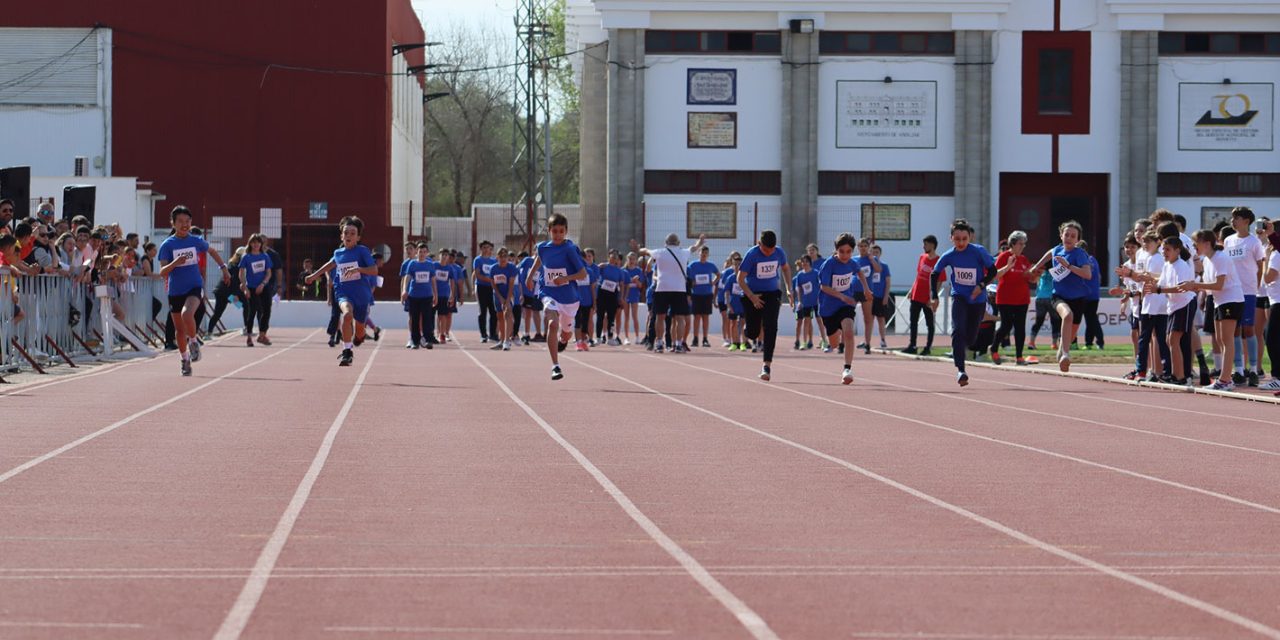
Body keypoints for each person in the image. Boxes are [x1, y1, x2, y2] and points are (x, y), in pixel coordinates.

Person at [158, 206, 231, 376]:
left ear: (191, 222)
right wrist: (175, 263)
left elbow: (212, 251)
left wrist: (224, 268)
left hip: (194, 286)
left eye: (187, 221)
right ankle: (184, 359)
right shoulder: (167, 245)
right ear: (173, 223)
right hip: (175, 291)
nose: (184, 225)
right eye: (180, 221)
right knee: (179, 330)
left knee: (187, 314)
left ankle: (193, 342)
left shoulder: (196, 240)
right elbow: (162, 272)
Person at [304, 216, 379, 366]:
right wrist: (313, 276)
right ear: (341, 235)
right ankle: (347, 351)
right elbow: (330, 264)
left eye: (352, 233)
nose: (348, 236)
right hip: (343, 292)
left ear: (358, 237)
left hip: (361, 295)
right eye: (346, 233)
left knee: (359, 331)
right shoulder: (338, 253)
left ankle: (359, 337)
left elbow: (374, 270)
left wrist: (359, 269)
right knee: (346, 315)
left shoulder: (362, 251)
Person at [931, 219, 997, 387]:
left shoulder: (978, 252)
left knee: (970, 337)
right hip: (959, 296)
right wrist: (935, 296)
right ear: (951, 238)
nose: (961, 242)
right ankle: (961, 370)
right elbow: (934, 273)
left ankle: (962, 348)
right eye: (957, 239)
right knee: (958, 329)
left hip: (978, 299)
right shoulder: (949, 255)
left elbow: (993, 270)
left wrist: (981, 285)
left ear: (970, 237)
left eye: (964, 239)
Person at [1178, 229, 1244, 390]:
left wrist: (1195, 285)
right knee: (1221, 340)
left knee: (1227, 341)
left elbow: (1219, 285)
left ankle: (1226, 379)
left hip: (1231, 300)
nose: (1194, 247)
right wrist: (1192, 288)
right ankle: (1225, 378)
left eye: (1196, 244)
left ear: (1207, 243)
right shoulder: (1207, 260)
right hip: (1218, 301)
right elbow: (1208, 285)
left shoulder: (1221, 258)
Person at [525, 214, 587, 380]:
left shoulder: (569, 249)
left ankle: (564, 339)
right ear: (549, 231)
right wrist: (530, 276)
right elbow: (539, 259)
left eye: (561, 231)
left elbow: (582, 273)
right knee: (552, 324)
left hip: (569, 298)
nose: (558, 235)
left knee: (566, 333)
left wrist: (565, 279)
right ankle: (555, 366)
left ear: (566, 231)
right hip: (549, 292)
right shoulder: (543, 247)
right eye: (555, 231)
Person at [1030, 220, 1093, 372]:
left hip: (1078, 298)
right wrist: (1036, 266)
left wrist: (1069, 266)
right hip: (1058, 296)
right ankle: (1065, 353)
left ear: (1078, 240)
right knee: (1067, 315)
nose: (1069, 238)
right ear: (1061, 235)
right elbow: (1049, 253)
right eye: (1066, 234)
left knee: (1070, 335)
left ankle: (1061, 352)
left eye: (1073, 236)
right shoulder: (1057, 250)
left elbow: (1087, 274)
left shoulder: (1080, 254)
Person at [633, 233, 706, 353]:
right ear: (678, 243)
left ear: (665, 243)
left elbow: (645, 251)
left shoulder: (660, 252)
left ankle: (660, 343)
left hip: (662, 287)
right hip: (679, 289)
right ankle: (677, 344)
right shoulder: (684, 252)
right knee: (680, 318)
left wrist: (637, 248)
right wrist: (700, 242)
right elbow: (694, 247)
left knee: (660, 316)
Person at [737, 229, 792, 381]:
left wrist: (789, 288)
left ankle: (766, 365)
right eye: (766, 250)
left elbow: (786, 268)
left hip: (772, 294)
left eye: (772, 250)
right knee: (752, 333)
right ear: (759, 244)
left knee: (771, 327)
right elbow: (740, 279)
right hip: (753, 295)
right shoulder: (752, 254)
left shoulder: (779, 252)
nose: (769, 253)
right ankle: (751, 327)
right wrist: (752, 297)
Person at [818, 233, 871, 384]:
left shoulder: (852, 263)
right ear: (836, 250)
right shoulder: (829, 264)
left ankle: (847, 369)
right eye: (842, 251)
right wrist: (841, 296)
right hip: (828, 307)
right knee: (834, 344)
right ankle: (837, 334)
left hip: (846, 304)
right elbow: (824, 287)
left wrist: (866, 289)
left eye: (849, 252)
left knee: (849, 332)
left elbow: (859, 272)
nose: (845, 255)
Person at [1224, 207, 1266, 387]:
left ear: (1247, 221)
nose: (1233, 221)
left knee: (1249, 329)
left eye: (1237, 218)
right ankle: (1239, 370)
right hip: (1232, 291)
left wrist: (1255, 286)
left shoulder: (1254, 242)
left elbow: (1260, 266)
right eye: (1232, 218)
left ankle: (1254, 369)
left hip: (1248, 291)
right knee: (1235, 330)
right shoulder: (1228, 240)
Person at [990, 231, 1035, 366]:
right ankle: (994, 348)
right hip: (1005, 298)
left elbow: (1030, 279)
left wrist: (1034, 274)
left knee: (1020, 327)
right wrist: (1008, 266)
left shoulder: (1023, 259)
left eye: (1024, 244)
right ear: (1013, 244)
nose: (1022, 246)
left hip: (1022, 299)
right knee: (1006, 325)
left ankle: (1019, 357)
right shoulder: (1004, 256)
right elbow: (995, 276)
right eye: (1020, 244)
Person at [1155, 237, 1196, 384]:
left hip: (1184, 304)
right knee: (1170, 340)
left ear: (1177, 250)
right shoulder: (1167, 265)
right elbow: (1159, 284)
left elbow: (1180, 288)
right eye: (1163, 249)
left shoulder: (1181, 266)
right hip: (1173, 306)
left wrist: (1159, 290)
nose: (1164, 252)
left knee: (1173, 339)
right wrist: (1139, 278)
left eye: (1168, 249)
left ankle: (1181, 376)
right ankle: (1176, 374)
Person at [1110, 234, 1143, 378]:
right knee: (1134, 335)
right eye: (1127, 247)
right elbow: (1129, 289)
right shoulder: (1126, 266)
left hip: (1145, 304)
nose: (1129, 250)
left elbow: (1142, 289)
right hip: (1134, 306)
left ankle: (1145, 366)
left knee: (1143, 336)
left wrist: (1128, 294)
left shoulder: (1142, 265)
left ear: (1139, 248)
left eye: (1133, 247)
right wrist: (1124, 298)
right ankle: (1138, 365)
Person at [904, 235, 940, 355]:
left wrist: (934, 297)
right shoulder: (922, 257)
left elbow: (939, 281)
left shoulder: (938, 261)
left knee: (929, 323)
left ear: (932, 245)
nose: (923, 246)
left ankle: (927, 347)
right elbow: (918, 275)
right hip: (916, 295)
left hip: (927, 298)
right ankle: (912, 345)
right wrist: (911, 290)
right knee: (913, 321)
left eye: (925, 244)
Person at [400, 241, 438, 350]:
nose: (422, 254)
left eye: (424, 252)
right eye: (420, 251)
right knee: (415, 319)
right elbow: (407, 278)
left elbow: (433, 280)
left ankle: (428, 340)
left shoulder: (430, 264)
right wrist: (404, 291)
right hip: (414, 296)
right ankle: (414, 341)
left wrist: (436, 295)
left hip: (427, 296)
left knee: (427, 319)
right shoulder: (412, 264)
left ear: (427, 253)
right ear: (417, 252)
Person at [239, 234, 274, 347]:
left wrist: (263, 284)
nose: (256, 245)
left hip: (263, 287)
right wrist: (245, 288)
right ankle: (249, 336)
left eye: (258, 242)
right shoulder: (246, 257)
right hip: (251, 288)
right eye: (253, 242)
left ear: (261, 244)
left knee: (266, 310)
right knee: (252, 311)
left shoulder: (265, 256)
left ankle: (262, 334)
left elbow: (269, 273)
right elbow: (241, 273)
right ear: (250, 244)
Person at [687, 245, 720, 348]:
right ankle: (695, 338)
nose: (703, 255)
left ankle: (705, 339)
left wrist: (713, 282)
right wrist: (692, 283)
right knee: (696, 316)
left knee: (705, 317)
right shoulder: (693, 265)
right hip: (696, 294)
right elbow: (688, 278)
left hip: (707, 294)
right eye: (702, 253)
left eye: (705, 254)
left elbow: (718, 274)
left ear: (708, 254)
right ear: (699, 253)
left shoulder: (711, 265)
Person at [489, 247, 520, 351]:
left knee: (508, 314)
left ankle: (507, 340)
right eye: (501, 256)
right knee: (500, 317)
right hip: (498, 295)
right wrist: (500, 298)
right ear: (497, 257)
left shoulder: (511, 268)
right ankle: (502, 340)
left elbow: (511, 285)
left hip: (509, 294)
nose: (503, 258)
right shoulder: (493, 268)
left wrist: (507, 300)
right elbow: (493, 284)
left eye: (505, 256)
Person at [853, 239, 880, 354]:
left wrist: (871, 259)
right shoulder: (854, 259)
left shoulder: (872, 259)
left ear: (868, 247)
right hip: (853, 290)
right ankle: (842, 343)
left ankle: (867, 343)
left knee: (867, 318)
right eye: (861, 246)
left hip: (867, 291)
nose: (863, 248)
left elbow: (878, 270)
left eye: (865, 246)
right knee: (847, 315)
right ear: (857, 247)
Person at [1077, 241, 1105, 350]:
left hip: (1084, 294)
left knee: (1082, 319)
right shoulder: (1093, 259)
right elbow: (1099, 276)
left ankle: (1093, 342)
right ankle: (1091, 342)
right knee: (1091, 319)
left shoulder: (1081, 261)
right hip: (1094, 294)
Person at [1262, 229, 1280, 391]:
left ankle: (1277, 376)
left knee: (1271, 338)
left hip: (1278, 302)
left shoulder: (1276, 255)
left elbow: (1268, 278)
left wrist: (1266, 259)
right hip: (1275, 300)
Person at [596, 250, 626, 346]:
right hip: (602, 293)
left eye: (615, 258)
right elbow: (595, 273)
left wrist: (621, 297)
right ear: (609, 258)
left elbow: (622, 285)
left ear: (618, 259)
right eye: (612, 257)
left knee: (611, 318)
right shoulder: (603, 266)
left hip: (613, 295)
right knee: (600, 316)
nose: (613, 259)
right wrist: (598, 267)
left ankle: (610, 337)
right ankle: (598, 337)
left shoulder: (619, 271)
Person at [473, 240, 499, 343]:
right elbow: (478, 275)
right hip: (481, 287)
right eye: (484, 247)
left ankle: (493, 334)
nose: (486, 249)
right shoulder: (478, 260)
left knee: (494, 311)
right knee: (482, 311)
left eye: (488, 247)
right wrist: (490, 280)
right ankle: (483, 334)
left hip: (492, 289)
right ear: (481, 249)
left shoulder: (494, 261)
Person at [573, 247, 598, 351]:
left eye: (583, 258)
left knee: (586, 322)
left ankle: (584, 341)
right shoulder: (573, 271)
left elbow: (592, 288)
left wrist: (594, 302)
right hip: (576, 300)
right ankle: (578, 342)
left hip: (587, 301)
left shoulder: (590, 271)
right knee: (577, 321)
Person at [792, 256, 820, 350]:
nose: (800, 266)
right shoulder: (796, 278)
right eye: (799, 265)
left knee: (808, 321)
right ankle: (797, 340)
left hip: (808, 302)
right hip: (799, 304)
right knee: (799, 322)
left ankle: (810, 340)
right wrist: (794, 303)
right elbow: (794, 291)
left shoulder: (813, 273)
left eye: (802, 264)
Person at [869, 245, 893, 350]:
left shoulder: (884, 266)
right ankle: (867, 342)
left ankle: (883, 340)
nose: (875, 254)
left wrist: (885, 296)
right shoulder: (868, 266)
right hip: (869, 297)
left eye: (877, 252)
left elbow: (887, 282)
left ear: (880, 254)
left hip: (880, 296)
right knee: (868, 320)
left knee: (880, 319)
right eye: (873, 252)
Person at [434, 249, 456, 343]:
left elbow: (452, 282)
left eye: (446, 255)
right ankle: (434, 333)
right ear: (439, 255)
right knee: (433, 315)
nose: (444, 256)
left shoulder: (450, 268)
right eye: (442, 254)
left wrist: (452, 295)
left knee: (442, 315)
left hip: (444, 294)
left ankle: (442, 334)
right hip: (434, 295)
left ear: (448, 257)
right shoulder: (434, 265)